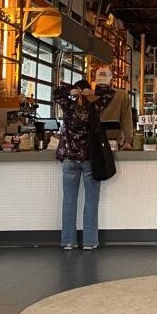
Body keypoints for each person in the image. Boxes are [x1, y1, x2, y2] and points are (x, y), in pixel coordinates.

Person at [53, 77, 114, 251]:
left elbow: (56, 93)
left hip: (69, 160)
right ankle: (89, 241)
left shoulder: (68, 106)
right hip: (89, 160)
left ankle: (68, 241)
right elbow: (111, 93)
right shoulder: (95, 108)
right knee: (91, 201)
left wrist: (69, 91)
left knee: (69, 202)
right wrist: (95, 92)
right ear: (88, 93)